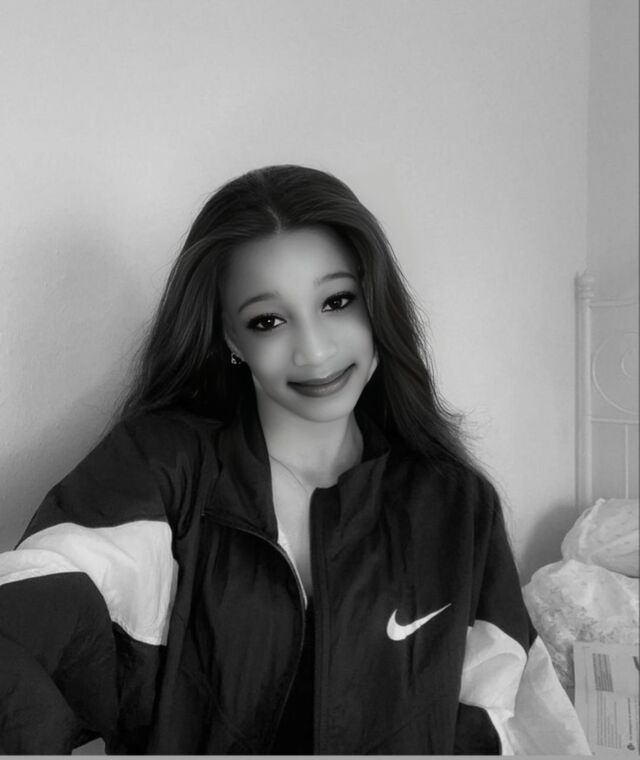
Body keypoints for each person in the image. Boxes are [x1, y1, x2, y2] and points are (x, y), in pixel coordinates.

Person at [0, 165, 589, 755]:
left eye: (337, 301)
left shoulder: (455, 504)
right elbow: (36, 612)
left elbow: (507, 716)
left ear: (375, 304)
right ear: (231, 338)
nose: (314, 350)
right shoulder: (160, 467)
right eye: (268, 320)